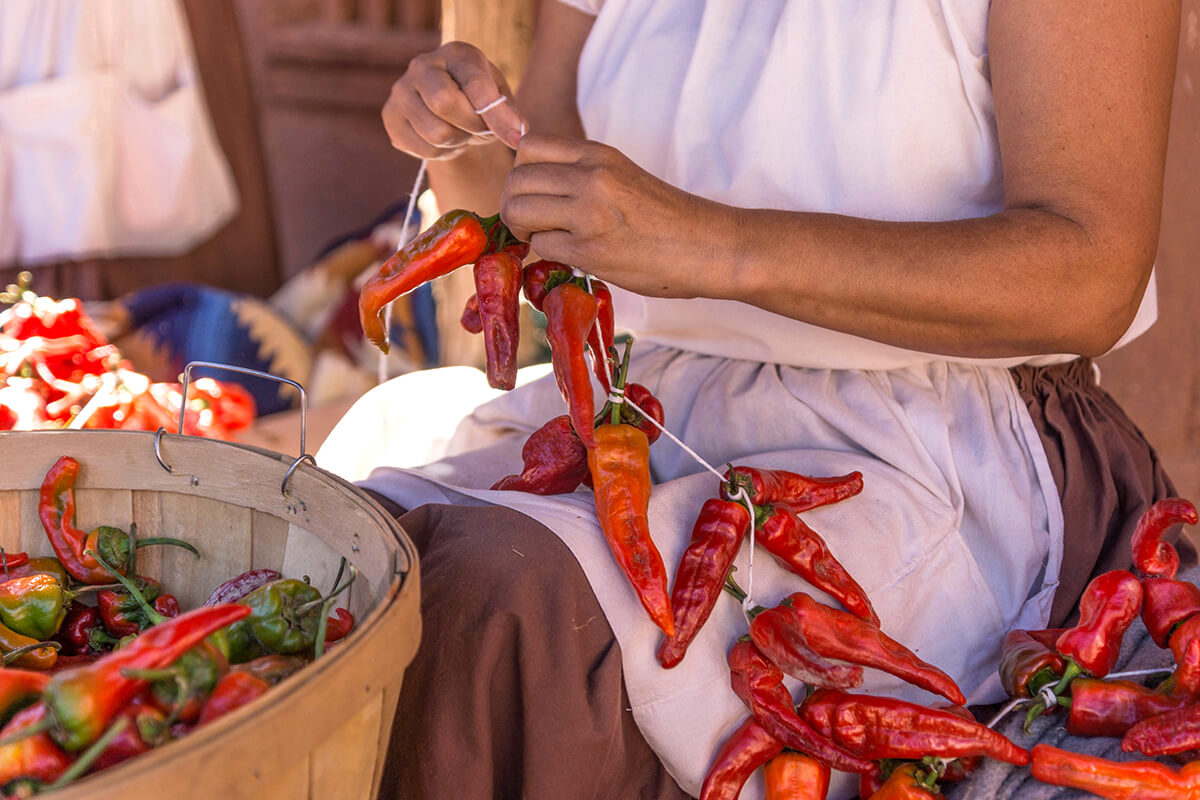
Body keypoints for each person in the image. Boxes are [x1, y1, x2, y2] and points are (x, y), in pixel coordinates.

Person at [314, 1, 1190, 798]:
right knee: (350, 555)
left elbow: (1092, 273)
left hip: (931, 440)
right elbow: (531, 179)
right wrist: (460, 136)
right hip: (647, 413)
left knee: (502, 607)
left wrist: (717, 246)